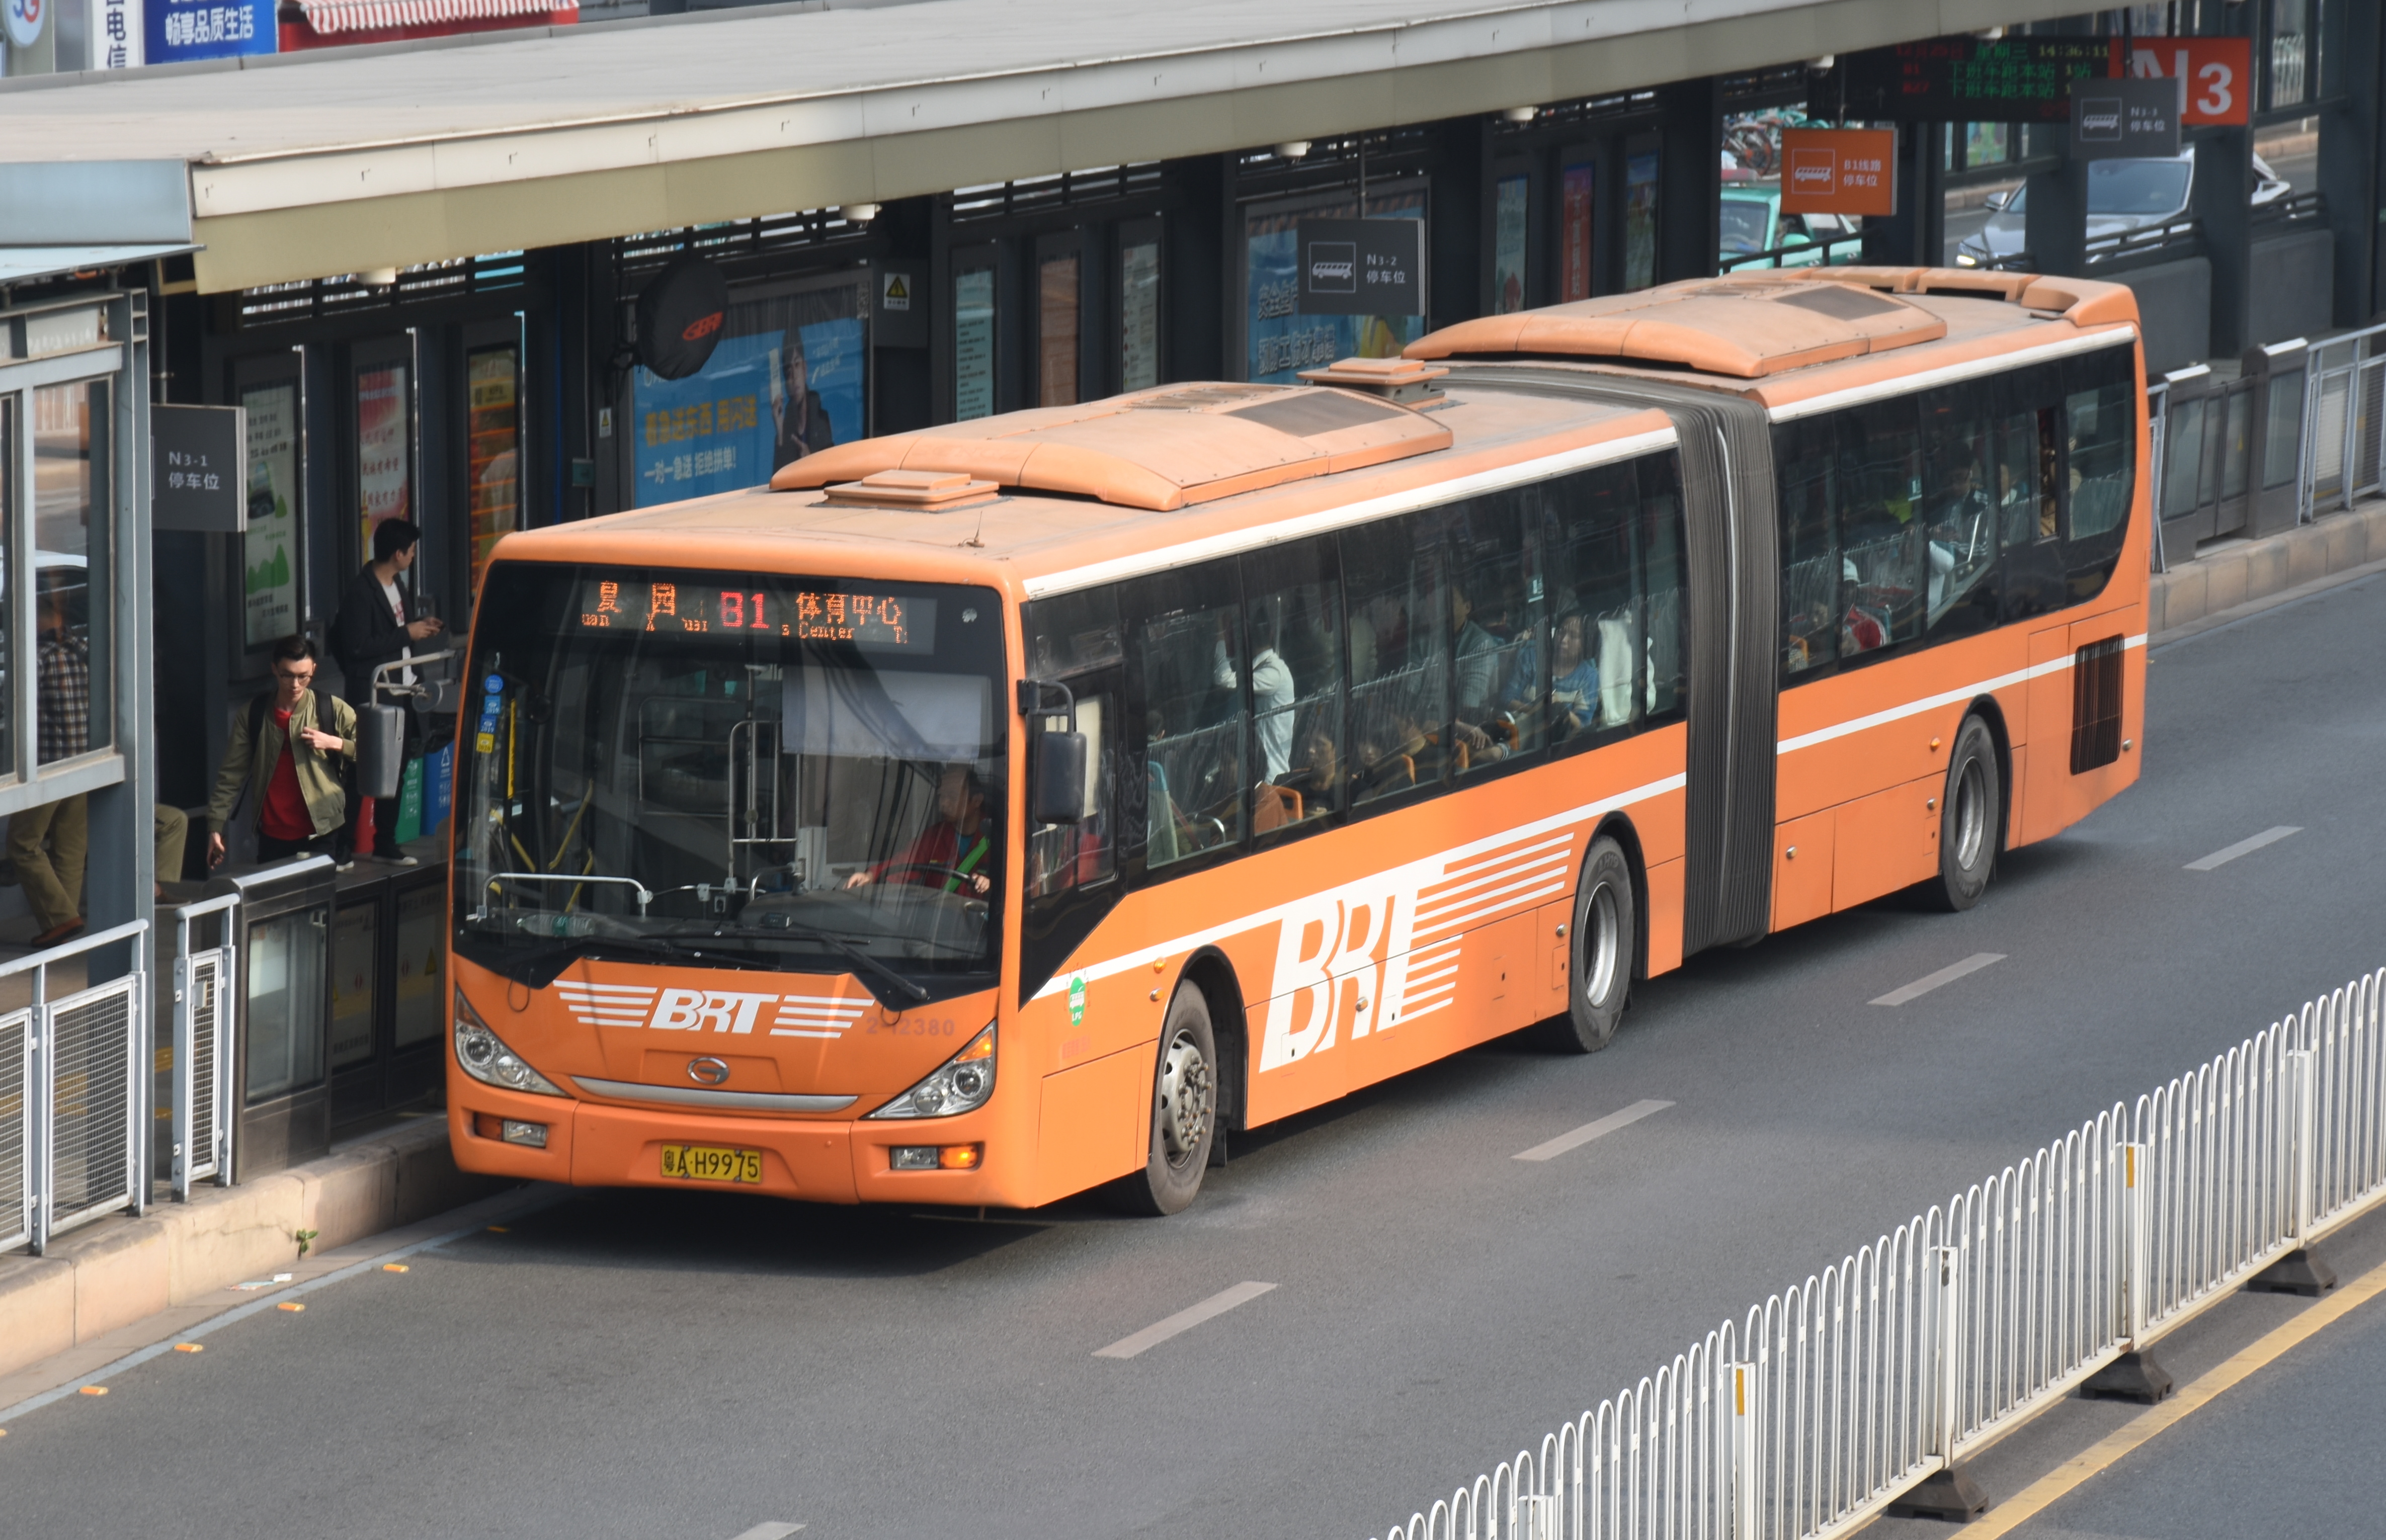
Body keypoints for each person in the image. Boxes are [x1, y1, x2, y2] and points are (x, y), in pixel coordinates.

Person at [333, 518, 443, 864]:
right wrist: (407, 634)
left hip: (406, 689)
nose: (413, 557)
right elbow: (355, 645)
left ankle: (386, 842)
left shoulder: (398, 585)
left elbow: (400, 633)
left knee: (397, 769)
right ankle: (344, 846)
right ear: (397, 553)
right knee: (359, 769)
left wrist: (421, 629)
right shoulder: (361, 592)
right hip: (377, 694)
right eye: (411, 551)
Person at [207, 636, 360, 870]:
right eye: (288, 675)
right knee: (278, 903)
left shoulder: (331, 708)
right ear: (275, 670)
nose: (296, 684)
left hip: (321, 829)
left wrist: (336, 743)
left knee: (316, 902)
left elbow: (370, 751)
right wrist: (216, 827)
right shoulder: (254, 714)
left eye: (304, 676)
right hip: (273, 833)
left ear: (314, 670)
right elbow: (231, 775)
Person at [8, 584, 91, 946]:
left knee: (23, 843)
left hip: (47, 766)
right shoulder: (84, 650)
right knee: (69, 846)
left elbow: (14, 709)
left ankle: (61, 918)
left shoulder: (37, 657)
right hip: (87, 761)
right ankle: (64, 922)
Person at [844, 764, 996, 897]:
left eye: (952, 796)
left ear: (977, 800)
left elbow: (1014, 884)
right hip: (941, 921)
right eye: (942, 796)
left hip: (982, 926)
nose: (943, 802)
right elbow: (905, 862)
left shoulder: (997, 837)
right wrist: (870, 876)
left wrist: (991, 884)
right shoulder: (936, 836)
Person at [1212, 606, 1295, 781]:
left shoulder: (1273, 673)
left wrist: (1220, 638)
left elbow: (1223, 678)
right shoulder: (1262, 668)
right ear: (1271, 634)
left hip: (1271, 775)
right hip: (1261, 771)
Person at [771, 331, 835, 472]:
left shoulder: (821, 421)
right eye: (788, 372)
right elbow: (777, 483)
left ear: (805, 369)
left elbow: (833, 475)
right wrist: (781, 433)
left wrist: (810, 461)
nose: (794, 377)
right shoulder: (785, 429)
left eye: (797, 365)